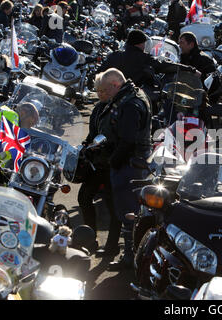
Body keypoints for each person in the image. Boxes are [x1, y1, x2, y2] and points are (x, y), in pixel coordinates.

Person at [95, 68, 152, 271]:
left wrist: (114, 161)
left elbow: (128, 140)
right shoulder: (130, 95)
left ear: (115, 84)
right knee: (128, 211)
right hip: (132, 161)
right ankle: (130, 254)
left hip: (130, 163)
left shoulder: (130, 103)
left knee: (129, 213)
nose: (104, 95)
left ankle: (130, 258)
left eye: (105, 89)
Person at [77, 74, 122, 258]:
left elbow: (116, 137)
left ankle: (112, 245)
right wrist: (84, 147)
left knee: (113, 207)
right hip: (96, 163)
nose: (101, 94)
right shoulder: (97, 109)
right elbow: (92, 134)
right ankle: (90, 239)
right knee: (83, 197)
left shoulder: (119, 109)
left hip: (111, 163)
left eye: (103, 91)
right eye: (98, 91)